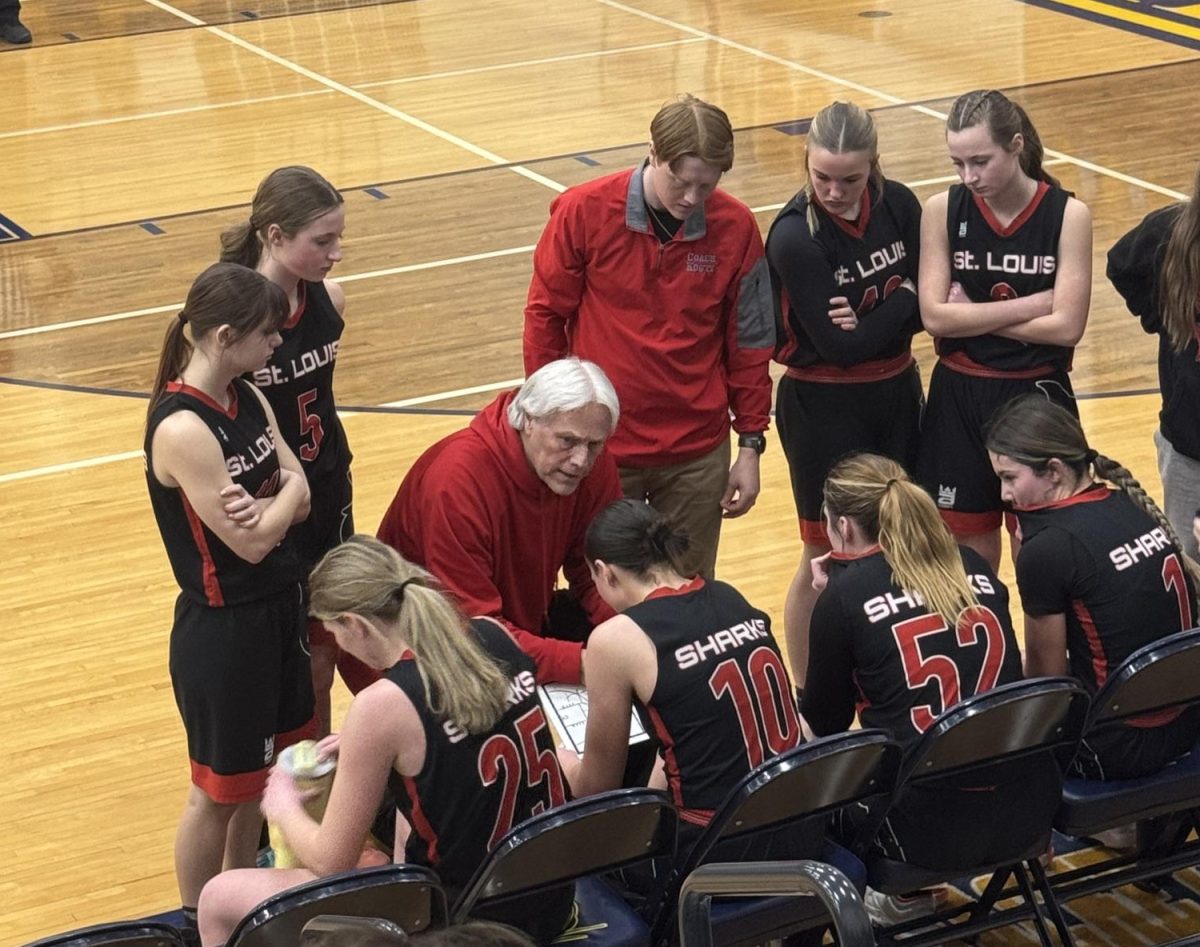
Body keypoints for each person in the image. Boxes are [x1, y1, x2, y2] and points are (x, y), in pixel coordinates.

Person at [197, 536, 573, 946]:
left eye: (335, 632)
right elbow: (459, 733)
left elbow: (331, 862)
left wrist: (282, 805)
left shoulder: (382, 706)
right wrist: (375, 747)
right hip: (550, 896)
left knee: (219, 896)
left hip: (466, 926)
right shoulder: (493, 633)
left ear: (354, 625)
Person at [524, 94, 774, 578]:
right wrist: (548, 420)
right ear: (653, 153)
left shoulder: (737, 227)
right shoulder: (583, 212)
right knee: (599, 587)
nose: (692, 199)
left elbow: (750, 342)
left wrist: (750, 443)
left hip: (696, 455)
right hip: (602, 450)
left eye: (707, 186)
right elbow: (545, 318)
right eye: (681, 182)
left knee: (687, 592)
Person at [144, 262, 315, 939]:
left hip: (278, 609)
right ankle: (195, 923)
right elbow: (249, 544)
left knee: (265, 778)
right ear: (223, 335)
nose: (277, 346)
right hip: (224, 630)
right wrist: (284, 504)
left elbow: (297, 482)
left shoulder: (249, 397)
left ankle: (246, 901)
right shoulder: (182, 428)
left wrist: (279, 503)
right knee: (217, 794)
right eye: (267, 335)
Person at [800, 453, 1025, 922]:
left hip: (921, 834)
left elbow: (825, 726)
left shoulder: (843, 598)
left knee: (801, 756)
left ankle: (899, 897)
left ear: (842, 527)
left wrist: (832, 609)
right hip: (1026, 808)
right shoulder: (970, 562)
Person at [765, 100, 924, 687]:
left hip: (898, 393)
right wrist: (907, 294)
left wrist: (897, 309)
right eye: (821, 176)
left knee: (902, 539)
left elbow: (933, 309)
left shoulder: (901, 205)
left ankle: (890, 667)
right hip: (823, 404)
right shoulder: (793, 235)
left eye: (850, 179)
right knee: (824, 555)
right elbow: (841, 347)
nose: (834, 191)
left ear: (874, 165)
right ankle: (810, 692)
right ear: (805, 162)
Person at [561, 500, 814, 864]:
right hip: (802, 824)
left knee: (582, 837)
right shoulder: (729, 595)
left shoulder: (615, 639)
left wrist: (563, 761)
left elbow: (595, 791)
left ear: (605, 572)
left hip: (719, 851)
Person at [220, 165, 375, 735]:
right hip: (269, 500)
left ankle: (315, 788)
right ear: (275, 236)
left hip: (329, 486)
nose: (336, 253)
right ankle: (274, 787)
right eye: (323, 240)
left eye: (339, 237)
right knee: (278, 662)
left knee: (323, 655)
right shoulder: (231, 320)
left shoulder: (330, 299)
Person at [916, 89, 1093, 571]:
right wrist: (1032, 304)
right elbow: (933, 317)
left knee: (1041, 543)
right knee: (965, 555)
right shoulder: (941, 209)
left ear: (1016, 145)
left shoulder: (1068, 214)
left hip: (1036, 394)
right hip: (958, 394)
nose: (969, 177)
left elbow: (1068, 327)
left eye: (980, 161)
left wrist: (972, 314)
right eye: (957, 163)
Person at [987, 394, 1200, 780]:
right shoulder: (1129, 503)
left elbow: (1047, 685)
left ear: (1054, 471)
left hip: (1119, 748)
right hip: (1188, 720)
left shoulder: (1048, 548)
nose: (1004, 495)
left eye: (1009, 478)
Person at [377, 358, 623, 685]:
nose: (581, 460)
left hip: (510, 630)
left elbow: (600, 570)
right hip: (424, 652)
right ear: (528, 421)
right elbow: (475, 631)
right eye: (566, 441)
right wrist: (585, 664)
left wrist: (638, 634)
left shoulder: (589, 460)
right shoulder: (458, 482)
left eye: (594, 444)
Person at [1108, 161, 1200, 560]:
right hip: (1189, 452)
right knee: (1190, 569)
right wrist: (1161, 318)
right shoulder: (1170, 233)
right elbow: (1120, 265)